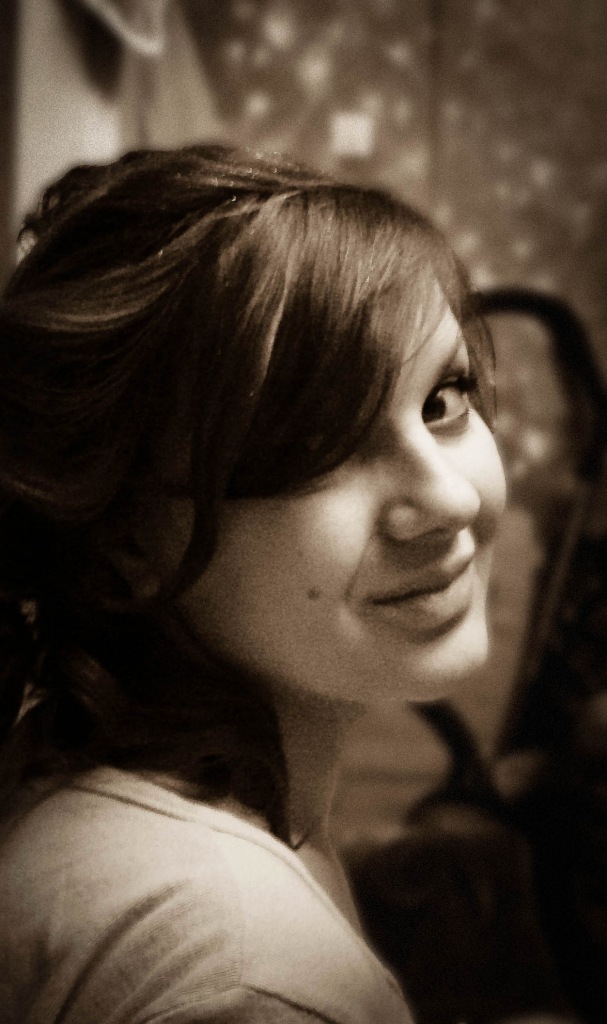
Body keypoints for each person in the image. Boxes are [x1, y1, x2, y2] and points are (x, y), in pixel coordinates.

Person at [0, 144, 506, 1023]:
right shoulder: (254, 976)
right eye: (316, 450)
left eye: (442, 400)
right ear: (126, 543)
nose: (449, 498)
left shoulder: (80, 783)